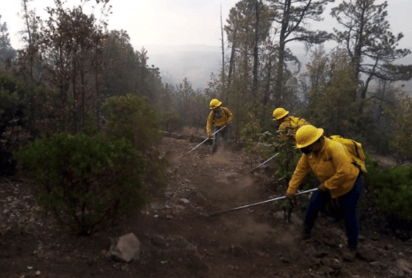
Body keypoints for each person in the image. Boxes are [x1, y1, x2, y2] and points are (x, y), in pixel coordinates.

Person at [285, 125, 364, 261]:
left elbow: (344, 171)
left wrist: (328, 185)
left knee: (349, 214)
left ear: (318, 141)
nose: (305, 150)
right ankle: (305, 232)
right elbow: (300, 171)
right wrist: (291, 191)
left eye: (307, 146)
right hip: (325, 182)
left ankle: (352, 247)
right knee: (313, 206)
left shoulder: (334, 148)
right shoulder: (309, 154)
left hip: (349, 183)